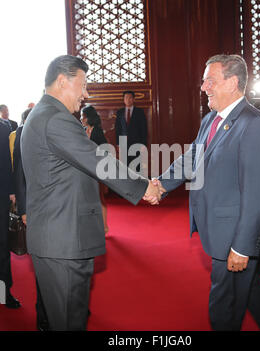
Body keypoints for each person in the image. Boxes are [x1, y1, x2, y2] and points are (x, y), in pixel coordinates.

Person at [153, 54, 260, 331]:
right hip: (220, 230)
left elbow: (257, 193)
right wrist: (160, 184)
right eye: (204, 80)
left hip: (234, 236)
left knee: (224, 308)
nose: (203, 87)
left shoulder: (253, 123)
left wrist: (242, 247)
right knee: (251, 292)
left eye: (210, 80)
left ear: (232, 83)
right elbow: (191, 157)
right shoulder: (211, 119)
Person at [21, 55, 160, 331]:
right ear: (62, 82)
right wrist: (143, 186)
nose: (86, 94)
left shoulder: (45, 115)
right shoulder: (54, 118)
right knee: (69, 322)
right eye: (83, 85)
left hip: (62, 236)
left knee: (71, 319)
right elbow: (97, 160)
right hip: (62, 240)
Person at [10, 108, 49, 330]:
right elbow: (19, 172)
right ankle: (43, 318)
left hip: (62, 209)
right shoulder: (23, 131)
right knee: (42, 264)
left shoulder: (60, 127)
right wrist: (23, 209)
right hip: (36, 210)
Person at [0, 119, 20, 309]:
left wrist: (12, 191)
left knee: (2, 245)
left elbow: (7, 163)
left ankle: (4, 293)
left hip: (1, 194)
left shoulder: (4, 126)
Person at [81, 104, 109, 234]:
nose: (81, 119)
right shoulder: (82, 130)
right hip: (84, 170)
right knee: (87, 199)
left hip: (97, 170)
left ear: (88, 118)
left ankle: (104, 227)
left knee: (99, 198)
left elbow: (105, 151)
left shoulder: (97, 131)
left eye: (83, 116)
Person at [115, 90, 148, 173]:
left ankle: (137, 183)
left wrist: (143, 144)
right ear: (123, 99)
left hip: (136, 143)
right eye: (126, 98)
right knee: (124, 166)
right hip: (123, 143)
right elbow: (118, 129)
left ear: (134, 99)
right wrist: (118, 143)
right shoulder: (120, 112)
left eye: (130, 98)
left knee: (136, 166)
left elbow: (144, 129)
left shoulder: (139, 112)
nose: (128, 100)